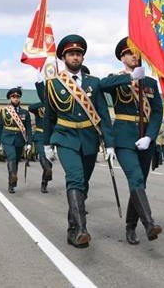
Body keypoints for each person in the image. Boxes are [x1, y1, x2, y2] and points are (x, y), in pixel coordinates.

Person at [43, 34, 115, 248]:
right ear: (64, 57)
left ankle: (72, 228)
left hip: (89, 139)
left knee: (83, 184)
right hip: (65, 138)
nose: (75, 57)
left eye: (78, 54)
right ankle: (82, 229)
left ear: (83, 57)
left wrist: (109, 143)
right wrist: (46, 143)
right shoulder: (54, 84)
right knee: (74, 178)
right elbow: (49, 116)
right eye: (71, 54)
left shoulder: (94, 83)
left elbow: (103, 114)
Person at [100, 37, 164, 245]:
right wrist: (130, 79)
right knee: (135, 178)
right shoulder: (117, 79)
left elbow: (157, 112)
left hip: (145, 137)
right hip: (124, 137)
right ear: (122, 57)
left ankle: (130, 226)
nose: (134, 56)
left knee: (140, 183)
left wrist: (150, 136)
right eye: (129, 53)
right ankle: (149, 224)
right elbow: (101, 86)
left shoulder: (151, 83)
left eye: (137, 53)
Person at [0, 87, 32, 194]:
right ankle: (13, 176)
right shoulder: (4, 112)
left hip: (20, 140)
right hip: (7, 139)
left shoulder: (25, 113)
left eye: (17, 97)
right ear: (10, 98)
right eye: (13, 97)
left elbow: (28, 129)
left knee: (15, 161)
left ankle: (11, 183)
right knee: (12, 156)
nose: (16, 99)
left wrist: (29, 143)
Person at [29, 81, 54, 193]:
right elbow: (30, 107)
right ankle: (47, 170)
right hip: (39, 135)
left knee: (48, 161)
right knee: (43, 155)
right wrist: (44, 103)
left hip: (50, 136)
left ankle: (44, 183)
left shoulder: (54, 105)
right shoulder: (39, 107)